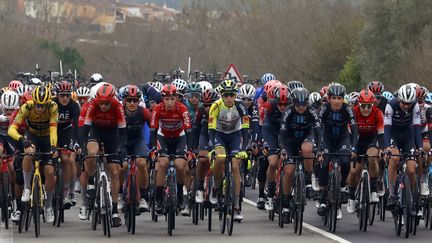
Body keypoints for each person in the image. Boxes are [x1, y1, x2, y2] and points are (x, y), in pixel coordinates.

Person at [8, 85, 59, 224]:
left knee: (49, 172)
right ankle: (26, 188)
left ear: (48, 103)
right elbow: (11, 129)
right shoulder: (27, 107)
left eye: (43, 105)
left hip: (47, 138)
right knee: (28, 154)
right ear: (33, 102)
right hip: (32, 136)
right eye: (38, 105)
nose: (40, 108)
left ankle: (48, 207)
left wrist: (54, 146)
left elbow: (54, 130)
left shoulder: (53, 107)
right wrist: (22, 139)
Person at [82, 83, 126, 227]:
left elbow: (123, 132)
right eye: (101, 103)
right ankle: (91, 182)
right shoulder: (92, 104)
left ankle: (114, 211)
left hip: (112, 134)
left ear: (112, 100)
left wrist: (120, 148)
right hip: (96, 131)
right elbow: (85, 127)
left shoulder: (118, 106)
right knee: (92, 152)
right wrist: (83, 146)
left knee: (114, 171)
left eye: (107, 103)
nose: (104, 106)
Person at [208, 79, 250, 221]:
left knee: (235, 167)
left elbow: (246, 130)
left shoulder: (241, 106)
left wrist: (244, 149)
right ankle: (216, 186)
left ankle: (236, 204)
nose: (229, 98)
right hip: (219, 135)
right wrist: (212, 148)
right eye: (226, 95)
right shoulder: (215, 106)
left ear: (235, 95)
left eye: (232, 95)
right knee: (220, 158)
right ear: (221, 95)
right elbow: (211, 130)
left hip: (235, 136)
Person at [278, 87, 321, 223]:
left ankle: (308, 181)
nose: (301, 107)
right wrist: (283, 149)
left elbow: (319, 132)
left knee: (307, 149)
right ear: (293, 103)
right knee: (289, 171)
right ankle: (285, 204)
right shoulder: (288, 112)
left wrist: (319, 149)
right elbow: (282, 134)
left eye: (304, 104)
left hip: (306, 138)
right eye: (298, 104)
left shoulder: (312, 111)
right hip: (290, 141)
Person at [150, 84, 193, 215]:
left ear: (177, 99)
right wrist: (153, 149)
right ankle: (158, 198)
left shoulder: (183, 109)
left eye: (172, 99)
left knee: (180, 166)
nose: (169, 102)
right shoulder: (157, 109)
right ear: (162, 99)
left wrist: (190, 149)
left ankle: (180, 194)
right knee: (162, 164)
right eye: (166, 99)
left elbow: (189, 130)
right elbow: (153, 130)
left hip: (179, 138)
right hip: (163, 137)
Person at [317, 83, 358, 220]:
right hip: (327, 139)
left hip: (342, 139)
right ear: (329, 99)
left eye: (339, 98)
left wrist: (353, 147)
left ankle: (341, 188)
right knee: (324, 163)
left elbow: (354, 128)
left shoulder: (348, 109)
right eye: (333, 98)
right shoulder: (324, 109)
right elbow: (318, 129)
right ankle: (322, 197)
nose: (336, 101)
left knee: (346, 162)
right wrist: (320, 148)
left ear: (343, 99)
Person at [384, 84, 422, 211]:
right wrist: (386, 148)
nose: (406, 106)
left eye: (409, 104)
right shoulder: (390, 105)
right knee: (393, 159)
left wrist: (420, 148)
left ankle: (411, 196)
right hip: (393, 135)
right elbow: (387, 128)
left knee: (411, 169)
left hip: (407, 136)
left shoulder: (415, 106)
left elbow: (417, 128)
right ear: (399, 99)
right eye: (404, 103)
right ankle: (391, 195)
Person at [346, 90, 384, 214]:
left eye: (369, 106)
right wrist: (351, 149)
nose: (366, 109)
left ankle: (373, 190)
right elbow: (349, 134)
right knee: (354, 170)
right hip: (356, 141)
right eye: (363, 106)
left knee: (373, 158)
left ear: (373, 104)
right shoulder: (353, 112)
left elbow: (381, 134)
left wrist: (382, 149)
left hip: (371, 140)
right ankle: (351, 198)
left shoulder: (378, 113)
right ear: (359, 104)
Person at [122, 85, 152, 211]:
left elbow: (154, 128)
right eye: (129, 100)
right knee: (121, 166)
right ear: (124, 101)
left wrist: (154, 146)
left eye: (135, 100)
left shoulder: (143, 112)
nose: (132, 103)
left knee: (142, 164)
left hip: (137, 141)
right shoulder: (119, 111)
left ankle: (144, 197)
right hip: (122, 142)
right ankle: (118, 194)